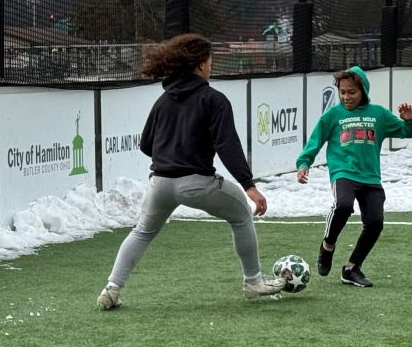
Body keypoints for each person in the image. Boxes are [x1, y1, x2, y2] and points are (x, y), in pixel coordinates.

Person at [97, 33, 284, 310]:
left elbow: (146, 145)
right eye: (210, 61)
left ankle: (112, 289)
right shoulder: (214, 99)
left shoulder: (163, 100)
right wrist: (249, 186)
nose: (211, 66)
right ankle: (253, 281)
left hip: (159, 184)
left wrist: (170, 155)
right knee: (242, 214)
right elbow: (227, 146)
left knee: (142, 232)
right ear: (199, 64)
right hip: (196, 184)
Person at [296, 65, 412, 288]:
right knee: (343, 206)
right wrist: (304, 163)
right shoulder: (333, 115)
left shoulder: (378, 114)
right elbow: (316, 140)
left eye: (351, 92)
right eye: (342, 92)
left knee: (375, 223)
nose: (346, 97)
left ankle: (352, 268)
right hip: (343, 172)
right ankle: (327, 246)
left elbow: (406, 131)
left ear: (363, 91)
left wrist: (409, 119)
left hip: (370, 177)